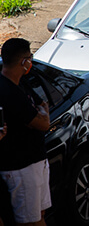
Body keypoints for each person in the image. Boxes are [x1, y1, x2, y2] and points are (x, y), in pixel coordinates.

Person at [0, 38, 51, 226]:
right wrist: (43, 116)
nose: (31, 62)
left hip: (36, 163)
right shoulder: (7, 91)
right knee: (30, 221)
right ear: (23, 62)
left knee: (40, 214)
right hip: (22, 169)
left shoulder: (21, 84)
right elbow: (42, 123)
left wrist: (42, 115)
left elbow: (42, 106)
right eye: (30, 58)